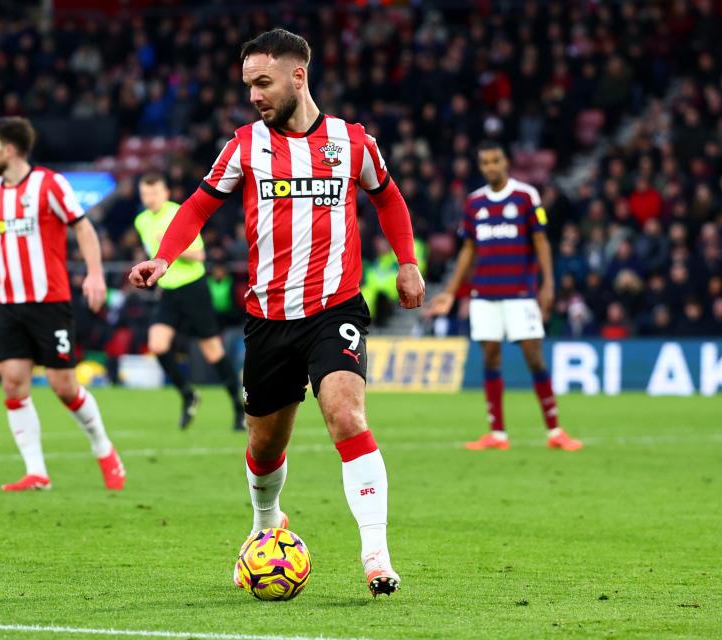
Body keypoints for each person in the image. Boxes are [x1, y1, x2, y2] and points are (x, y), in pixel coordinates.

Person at [130, 29, 424, 596]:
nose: (254, 96)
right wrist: (163, 259)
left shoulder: (352, 141)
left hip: (335, 307)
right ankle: (267, 523)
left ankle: (377, 558)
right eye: (248, 86)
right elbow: (198, 204)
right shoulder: (244, 145)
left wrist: (406, 261)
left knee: (346, 415)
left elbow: (387, 197)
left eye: (263, 83)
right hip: (267, 319)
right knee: (264, 446)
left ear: (298, 76)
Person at [0, 116, 125, 492]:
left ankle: (104, 449)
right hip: (9, 301)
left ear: (9, 149)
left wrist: (94, 274)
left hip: (49, 301)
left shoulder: (49, 184)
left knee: (64, 387)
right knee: (13, 383)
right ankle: (36, 471)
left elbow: (83, 227)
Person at [427, 141, 582, 451]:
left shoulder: (526, 196)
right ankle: (497, 433)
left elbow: (541, 243)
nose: (490, 167)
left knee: (534, 357)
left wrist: (547, 285)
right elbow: (468, 249)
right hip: (484, 293)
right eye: (484, 162)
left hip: (520, 293)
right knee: (490, 357)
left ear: (506, 162)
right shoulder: (474, 203)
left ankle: (555, 431)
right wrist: (449, 292)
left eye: (495, 161)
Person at [133, 172, 245, 431]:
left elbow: (199, 255)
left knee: (212, 351)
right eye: (145, 194)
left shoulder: (178, 214)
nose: (149, 198)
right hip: (169, 292)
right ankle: (188, 394)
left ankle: (239, 409)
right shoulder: (141, 221)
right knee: (157, 345)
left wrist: (171, 248)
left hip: (193, 288)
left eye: (154, 193)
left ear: (166, 193)